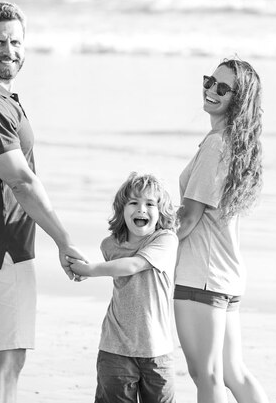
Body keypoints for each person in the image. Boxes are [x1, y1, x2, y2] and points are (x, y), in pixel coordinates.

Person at [0, 2, 86, 403]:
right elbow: (22, 182)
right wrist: (63, 240)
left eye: (16, 41)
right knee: (7, 359)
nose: (9, 50)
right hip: (2, 250)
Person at [173, 59, 269, 403]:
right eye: (210, 81)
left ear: (238, 99)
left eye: (223, 88)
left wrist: (144, 247)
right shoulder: (234, 143)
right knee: (233, 372)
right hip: (225, 275)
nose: (211, 90)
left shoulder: (217, 144)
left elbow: (187, 219)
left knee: (207, 376)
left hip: (201, 275)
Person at [67, 172, 179, 403]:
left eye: (150, 204)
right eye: (134, 203)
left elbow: (133, 265)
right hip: (115, 347)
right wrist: (78, 266)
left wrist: (89, 270)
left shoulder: (165, 240)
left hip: (157, 351)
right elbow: (117, 267)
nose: (142, 209)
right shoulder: (109, 245)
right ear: (122, 209)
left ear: (160, 212)